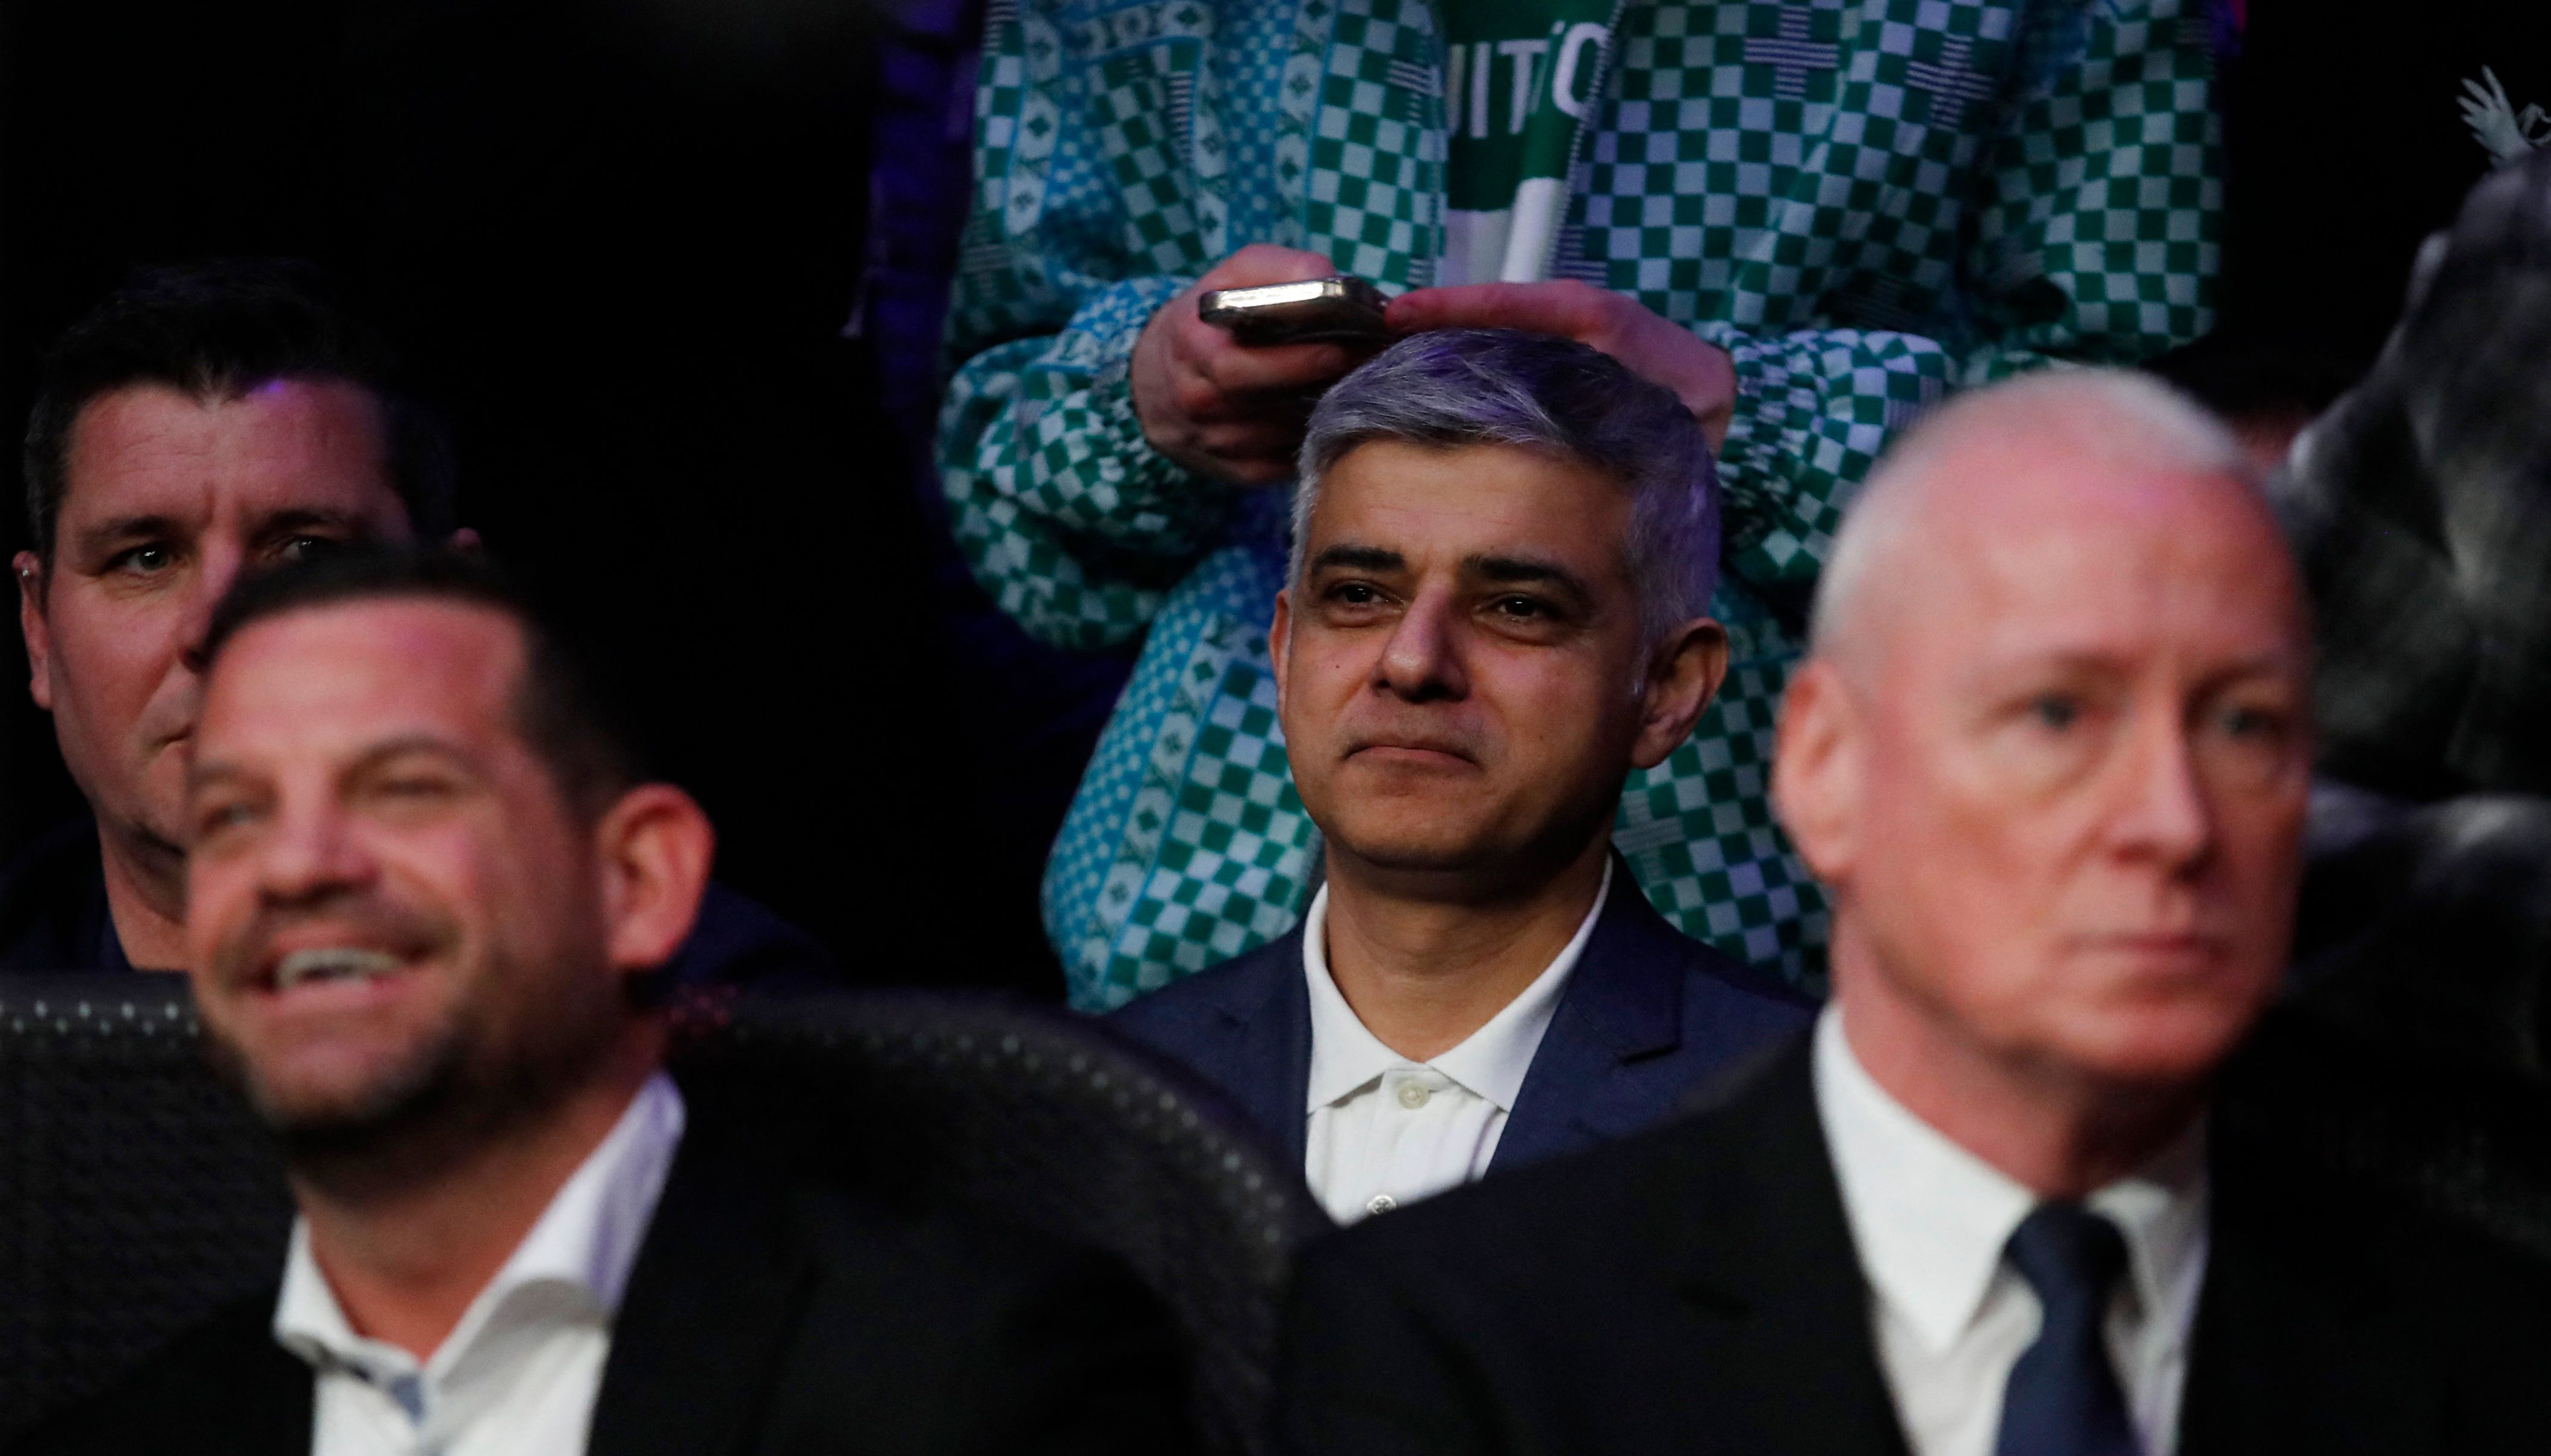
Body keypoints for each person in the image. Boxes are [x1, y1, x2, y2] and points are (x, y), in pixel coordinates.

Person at [1273, 370, 2551, 1455]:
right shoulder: (1467, 1339)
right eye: (2057, 713)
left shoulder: (2496, 1355)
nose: (2172, 819)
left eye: (2245, 726)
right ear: (1826, 766)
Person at [940, 0, 2227, 1009]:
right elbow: (1000, 498)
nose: (1420, 660)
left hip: (1790, 939)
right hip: (1201, 916)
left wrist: (1750, 421)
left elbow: (2163, 488)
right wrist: (1146, 397)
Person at [13, 548, 1190, 1456]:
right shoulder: (120, 1441)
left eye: (401, 789)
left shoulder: (969, 1381)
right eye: (234, 816)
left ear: (637, 881)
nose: (297, 867)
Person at [1109, 331, 1808, 1223]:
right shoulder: (1112, 1100)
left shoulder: (1803, 1128)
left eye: (1517, 607)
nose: (1411, 662)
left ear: (1668, 692)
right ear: (1284, 654)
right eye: (1359, 595)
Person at [1, 261, 833, 987]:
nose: (217, 633)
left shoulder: (694, 1013)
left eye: (306, 552)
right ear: (38, 631)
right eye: (146, 559)